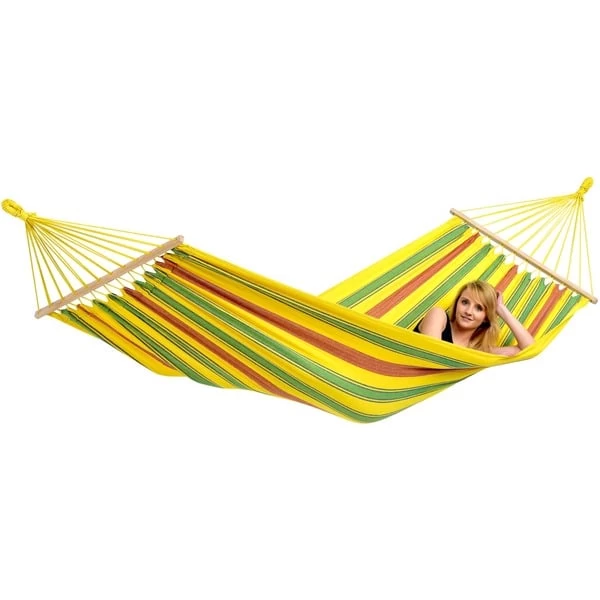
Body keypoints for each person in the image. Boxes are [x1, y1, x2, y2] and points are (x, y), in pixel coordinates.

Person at [414, 280, 534, 356]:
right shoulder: (438, 315)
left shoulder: (480, 353)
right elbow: (432, 354)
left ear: (486, 318)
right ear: (457, 303)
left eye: (479, 308)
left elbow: (529, 349)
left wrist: (501, 309)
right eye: (465, 302)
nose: (468, 311)